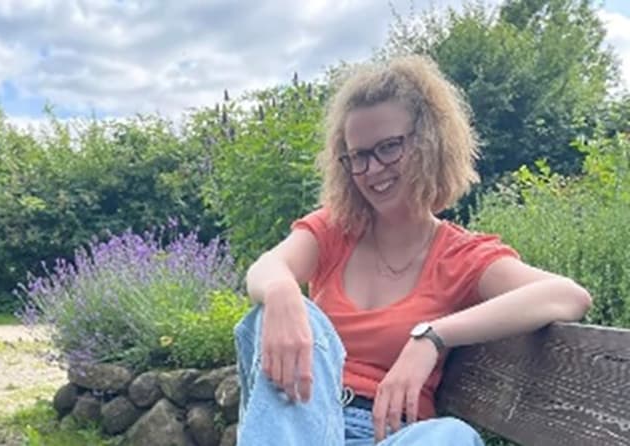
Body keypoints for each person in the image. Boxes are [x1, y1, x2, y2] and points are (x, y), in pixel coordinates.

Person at [234, 54, 592, 446]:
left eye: (388, 147)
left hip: (393, 436)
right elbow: (268, 267)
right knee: (275, 311)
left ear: (429, 143)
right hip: (304, 424)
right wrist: (282, 291)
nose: (372, 169)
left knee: (453, 435)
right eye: (358, 156)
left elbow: (568, 296)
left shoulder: (459, 256)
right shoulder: (335, 229)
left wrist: (432, 336)